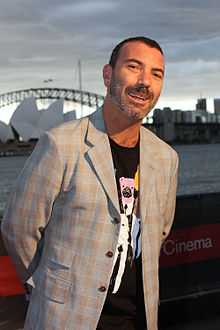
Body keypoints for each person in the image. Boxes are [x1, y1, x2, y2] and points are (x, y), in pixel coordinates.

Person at [1, 36, 179, 330]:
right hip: (66, 319)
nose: (144, 82)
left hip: (137, 320)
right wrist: (45, 289)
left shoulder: (166, 159)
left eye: (156, 74)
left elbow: (159, 231)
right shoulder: (61, 144)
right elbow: (18, 228)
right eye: (134, 67)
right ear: (108, 75)